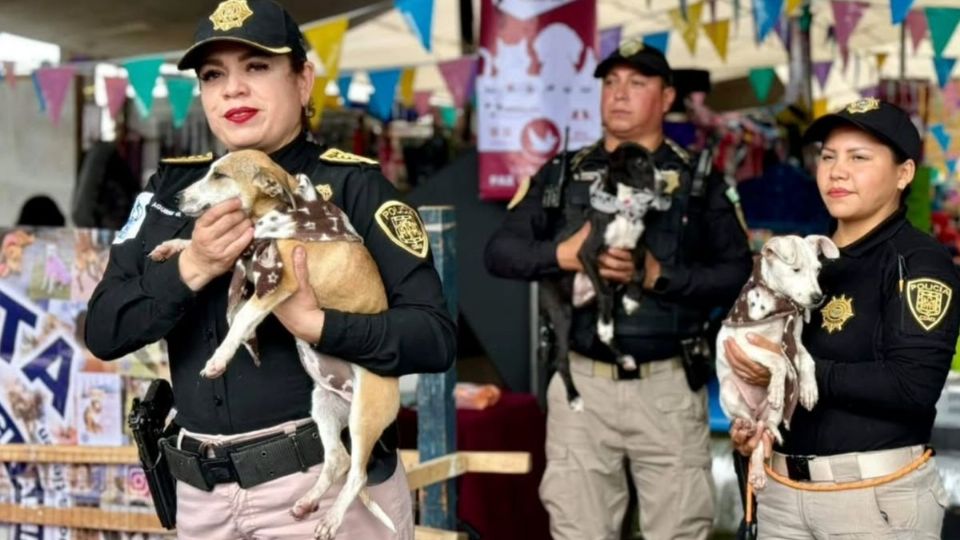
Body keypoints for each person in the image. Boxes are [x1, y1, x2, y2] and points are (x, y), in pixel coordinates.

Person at [84, 1, 456, 538]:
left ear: (304, 81)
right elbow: (104, 330)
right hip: (200, 498)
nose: (233, 89)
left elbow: (434, 337)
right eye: (214, 75)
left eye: (256, 66)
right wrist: (191, 266)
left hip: (319, 487)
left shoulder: (352, 187)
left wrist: (321, 325)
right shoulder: (171, 194)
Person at [484, 38, 752, 540]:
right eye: (610, 82)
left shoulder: (698, 178)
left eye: (637, 83)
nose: (619, 94)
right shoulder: (563, 173)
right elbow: (499, 253)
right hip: (581, 385)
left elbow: (738, 274)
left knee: (677, 531)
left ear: (668, 97)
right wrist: (563, 255)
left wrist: (657, 276)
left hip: (668, 386)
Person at [727, 98, 959, 538]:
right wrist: (756, 425)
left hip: (871, 501)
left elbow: (912, 385)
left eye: (859, 157)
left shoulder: (918, 262)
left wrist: (799, 372)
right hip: (780, 495)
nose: (836, 171)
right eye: (828, 156)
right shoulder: (798, 261)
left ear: (904, 174)